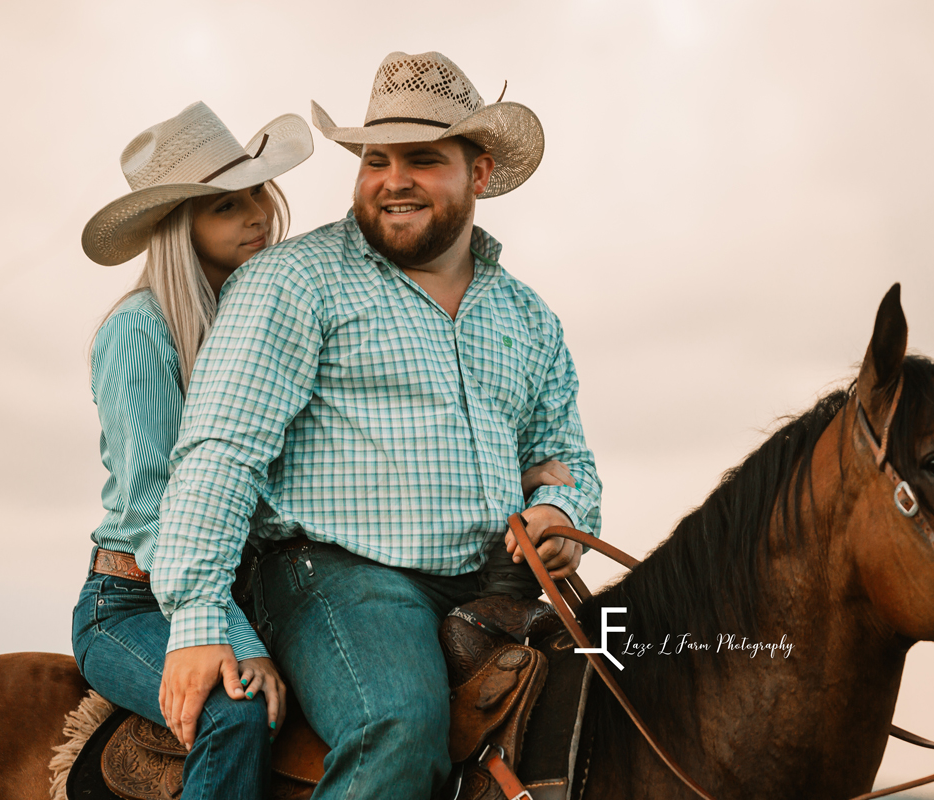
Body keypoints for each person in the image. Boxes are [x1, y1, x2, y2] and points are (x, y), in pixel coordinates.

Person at [153, 52, 602, 799]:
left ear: (480, 174)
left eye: (422, 160)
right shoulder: (294, 282)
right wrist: (197, 619)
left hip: (495, 576)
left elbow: (564, 459)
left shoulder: (528, 318)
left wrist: (561, 509)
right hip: (335, 573)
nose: (393, 180)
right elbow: (219, 454)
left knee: (636, 694)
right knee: (398, 724)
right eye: (375, 160)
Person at [70, 101, 313, 800]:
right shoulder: (138, 333)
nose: (257, 217)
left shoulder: (258, 324)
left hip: (245, 585)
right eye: (227, 208)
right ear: (182, 228)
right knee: (234, 711)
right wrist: (238, 642)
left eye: (257, 196)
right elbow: (156, 510)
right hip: (134, 600)